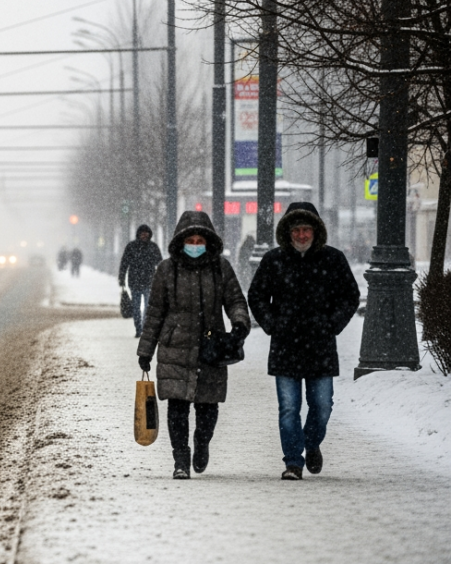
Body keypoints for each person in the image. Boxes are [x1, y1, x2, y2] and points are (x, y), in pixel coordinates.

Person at [247, 202, 359, 481]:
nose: (301, 235)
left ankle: (311, 443)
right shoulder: (274, 260)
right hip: (285, 346)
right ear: (288, 232)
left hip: (320, 346)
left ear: (315, 231)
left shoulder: (333, 259)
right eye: (296, 229)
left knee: (322, 405)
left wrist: (332, 324)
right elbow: (257, 296)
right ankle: (293, 462)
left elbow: (349, 296)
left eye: (306, 229)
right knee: (288, 408)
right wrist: (272, 324)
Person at [137, 211, 251, 479]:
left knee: (208, 406)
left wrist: (239, 322)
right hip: (174, 347)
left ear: (208, 241)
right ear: (181, 241)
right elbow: (154, 313)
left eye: (201, 240)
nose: (196, 244)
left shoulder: (220, 268)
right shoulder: (166, 270)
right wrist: (145, 350)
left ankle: (202, 443)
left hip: (211, 348)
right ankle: (180, 458)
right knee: (177, 407)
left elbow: (235, 299)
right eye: (192, 239)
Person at [118, 224, 163, 338]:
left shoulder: (150, 247)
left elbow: (160, 264)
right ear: (138, 234)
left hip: (147, 282)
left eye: (146, 233)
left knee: (147, 307)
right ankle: (139, 328)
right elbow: (124, 263)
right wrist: (121, 278)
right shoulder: (134, 247)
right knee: (136, 308)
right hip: (136, 282)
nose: (144, 235)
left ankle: (143, 328)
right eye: (142, 233)